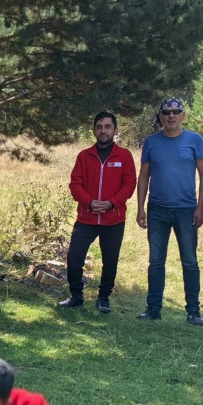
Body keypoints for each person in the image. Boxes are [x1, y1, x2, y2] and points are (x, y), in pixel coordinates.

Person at [135, 97, 203, 323]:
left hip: (186, 210)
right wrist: (140, 208)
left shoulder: (195, 140)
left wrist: (200, 208)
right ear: (160, 117)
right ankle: (153, 309)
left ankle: (193, 311)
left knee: (189, 261)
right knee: (156, 261)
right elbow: (144, 176)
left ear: (183, 116)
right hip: (157, 209)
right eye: (166, 113)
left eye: (176, 112)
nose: (171, 116)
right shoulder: (151, 142)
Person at [60, 111, 136, 314]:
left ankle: (103, 298)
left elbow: (129, 184)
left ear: (115, 130)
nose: (103, 131)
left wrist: (112, 203)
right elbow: (75, 184)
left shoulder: (125, 156)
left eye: (107, 127)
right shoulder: (84, 156)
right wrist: (90, 202)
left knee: (110, 261)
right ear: (94, 130)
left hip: (114, 219)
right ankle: (76, 296)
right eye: (99, 127)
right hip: (86, 218)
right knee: (74, 257)